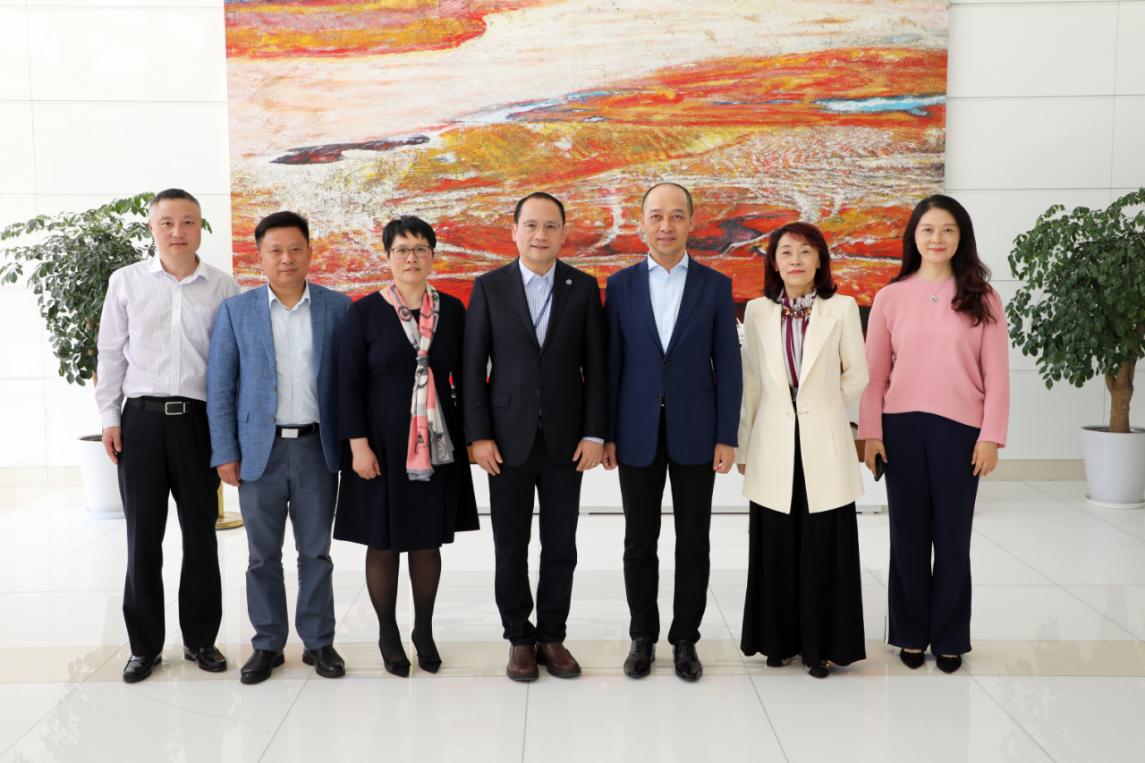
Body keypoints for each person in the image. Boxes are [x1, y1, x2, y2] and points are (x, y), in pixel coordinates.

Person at [859, 194, 1010, 674]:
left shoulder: (983, 298)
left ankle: (949, 638)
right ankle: (908, 633)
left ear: (961, 236)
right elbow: (874, 374)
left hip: (961, 432)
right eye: (927, 230)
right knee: (907, 536)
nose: (937, 238)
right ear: (914, 237)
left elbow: (997, 375)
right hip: (900, 429)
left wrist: (991, 436)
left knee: (952, 538)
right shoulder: (890, 297)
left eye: (947, 229)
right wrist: (871, 432)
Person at [95, 188, 239, 683]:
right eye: (167, 222)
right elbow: (110, 354)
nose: (178, 232)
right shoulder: (126, 281)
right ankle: (144, 646)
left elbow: (230, 366)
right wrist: (110, 418)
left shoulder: (223, 287)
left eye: (188, 222)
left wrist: (229, 436)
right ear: (152, 228)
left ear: (201, 227)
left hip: (199, 423)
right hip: (141, 422)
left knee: (200, 535)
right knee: (142, 538)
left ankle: (201, 640)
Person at [463, 192, 607, 682]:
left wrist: (595, 432)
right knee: (511, 544)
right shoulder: (490, 287)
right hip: (506, 440)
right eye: (531, 225)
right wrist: (478, 436)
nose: (540, 235)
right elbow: (472, 366)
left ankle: (552, 635)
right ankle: (519, 639)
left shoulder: (582, 287)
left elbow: (597, 367)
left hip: (567, 440)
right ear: (515, 231)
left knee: (560, 543)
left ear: (563, 233)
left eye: (550, 226)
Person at [602, 182, 742, 682]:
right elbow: (611, 366)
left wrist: (726, 435)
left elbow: (728, 365)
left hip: (696, 432)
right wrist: (606, 433)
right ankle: (642, 636)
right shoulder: (620, 286)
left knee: (694, 541)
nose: (666, 226)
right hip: (635, 431)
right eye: (657, 216)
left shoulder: (715, 285)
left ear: (691, 223)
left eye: (677, 216)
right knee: (639, 541)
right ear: (641, 222)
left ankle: (686, 639)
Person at [207, 211, 351, 684]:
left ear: (310, 252)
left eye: (295, 249)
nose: (286, 258)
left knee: (316, 553)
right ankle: (267, 643)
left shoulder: (337, 308)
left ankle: (318, 641)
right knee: (261, 555)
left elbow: (351, 384)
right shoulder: (237, 311)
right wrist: (225, 451)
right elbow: (221, 386)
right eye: (275, 250)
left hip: (316, 449)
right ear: (260, 256)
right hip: (258, 452)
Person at [333, 215, 478, 677]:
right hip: (380, 443)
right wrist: (358, 446)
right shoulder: (364, 312)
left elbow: (467, 379)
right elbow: (347, 384)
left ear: (433, 255)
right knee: (383, 540)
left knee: (426, 539)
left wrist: (471, 437)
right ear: (388, 257)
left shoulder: (453, 310)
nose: (411, 258)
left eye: (420, 249)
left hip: (435, 444)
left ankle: (424, 631)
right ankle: (387, 632)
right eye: (401, 250)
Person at [736, 221, 869, 678]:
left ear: (820, 261)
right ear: (774, 262)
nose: (795, 260)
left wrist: (821, 404)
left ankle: (822, 646)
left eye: (805, 251)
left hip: (823, 438)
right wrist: (744, 446)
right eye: (786, 252)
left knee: (823, 544)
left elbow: (857, 373)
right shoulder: (757, 311)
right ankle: (778, 641)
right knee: (775, 542)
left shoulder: (842, 308)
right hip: (772, 439)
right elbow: (752, 383)